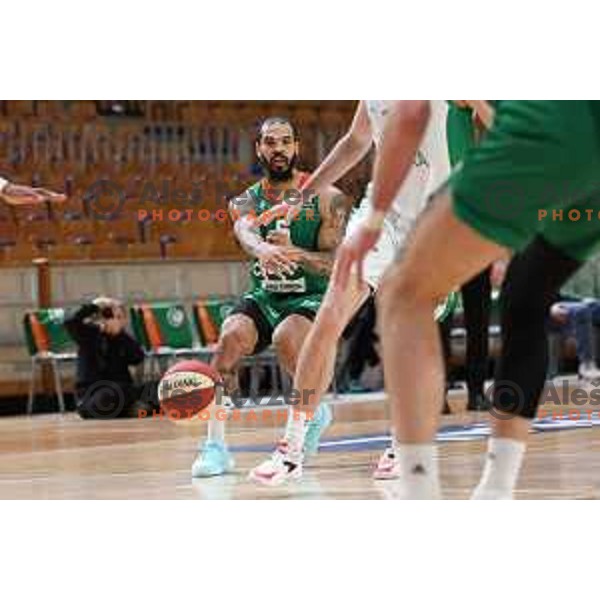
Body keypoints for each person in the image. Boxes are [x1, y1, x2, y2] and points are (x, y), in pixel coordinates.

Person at [333, 101, 600, 499]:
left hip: (553, 131)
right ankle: (495, 490)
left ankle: (419, 495)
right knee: (525, 297)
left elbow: (409, 112)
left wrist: (373, 218)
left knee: (403, 294)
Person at [248, 101, 455, 486]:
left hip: (438, 217)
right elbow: (355, 140)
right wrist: (302, 196)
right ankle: (291, 449)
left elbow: (494, 130)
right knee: (329, 315)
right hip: (381, 215)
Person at [191, 117, 349, 478]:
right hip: (266, 296)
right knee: (228, 342)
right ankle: (215, 446)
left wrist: (297, 253)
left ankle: (312, 411)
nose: (278, 149)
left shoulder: (328, 197)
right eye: (270, 142)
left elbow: (338, 262)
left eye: (285, 142)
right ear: (259, 150)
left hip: (311, 297)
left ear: (296, 148)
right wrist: (261, 248)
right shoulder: (246, 199)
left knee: (287, 338)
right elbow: (244, 231)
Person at [65, 297, 154, 419]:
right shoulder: (88, 334)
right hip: (94, 394)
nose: (113, 320)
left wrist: (119, 335)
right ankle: (132, 408)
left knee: (155, 387)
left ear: (123, 321)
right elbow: (70, 322)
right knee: (112, 394)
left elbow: (137, 357)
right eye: (109, 316)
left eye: (118, 317)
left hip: (122, 391)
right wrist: (94, 306)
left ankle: (129, 408)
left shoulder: (123, 339)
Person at [0, 176, 65, 206]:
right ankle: (53, 196)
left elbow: (39, 191)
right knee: (36, 196)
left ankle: (54, 196)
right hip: (8, 194)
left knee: (36, 195)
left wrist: (53, 195)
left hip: (8, 193)